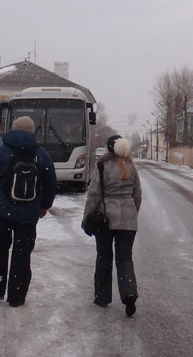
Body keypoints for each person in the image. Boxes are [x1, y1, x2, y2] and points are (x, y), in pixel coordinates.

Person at [0, 115, 58, 307]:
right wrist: (43, 206)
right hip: (29, 216)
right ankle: (17, 297)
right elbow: (51, 183)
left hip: (2, 213)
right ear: (32, 133)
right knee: (22, 255)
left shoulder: (0, 152)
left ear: (13, 129)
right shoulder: (41, 154)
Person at [82, 134, 142, 316]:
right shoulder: (131, 166)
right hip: (128, 220)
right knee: (125, 258)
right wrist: (132, 213)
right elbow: (137, 194)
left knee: (104, 257)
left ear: (108, 148)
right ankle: (129, 293)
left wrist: (87, 218)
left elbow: (94, 194)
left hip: (105, 219)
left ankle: (102, 297)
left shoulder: (101, 166)